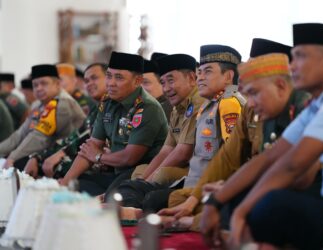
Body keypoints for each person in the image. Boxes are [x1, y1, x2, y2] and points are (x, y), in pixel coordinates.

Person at [158, 39, 311, 233]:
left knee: (258, 204)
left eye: (255, 91)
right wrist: (192, 201)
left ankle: (194, 222)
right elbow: (227, 157)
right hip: (257, 183)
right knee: (188, 198)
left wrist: (228, 192)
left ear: (281, 83)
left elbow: (292, 172)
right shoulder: (254, 107)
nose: (251, 101)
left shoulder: (305, 108)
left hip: (291, 193)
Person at [223, 23, 323, 250]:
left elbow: (293, 166)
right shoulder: (320, 101)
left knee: (269, 205)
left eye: (299, 56)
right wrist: (218, 201)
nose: (292, 66)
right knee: (245, 198)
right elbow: (272, 156)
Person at [116, 45, 246, 215]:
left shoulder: (229, 104)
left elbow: (230, 158)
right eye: (199, 72)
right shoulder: (210, 105)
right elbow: (168, 151)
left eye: (207, 72)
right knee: (137, 188)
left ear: (228, 76)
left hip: (210, 187)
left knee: (152, 199)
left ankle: (134, 214)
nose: (200, 78)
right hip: (197, 184)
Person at [58, 52, 168, 196]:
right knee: (75, 184)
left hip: (140, 172)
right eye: (109, 76)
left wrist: (99, 157)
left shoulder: (147, 107)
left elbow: (129, 158)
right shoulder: (107, 102)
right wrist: (65, 184)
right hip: (115, 171)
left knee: (111, 196)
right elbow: (91, 148)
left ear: (137, 81)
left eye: (119, 77)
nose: (110, 83)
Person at [104, 53, 204, 207]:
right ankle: (125, 201)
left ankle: (127, 206)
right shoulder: (178, 107)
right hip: (183, 168)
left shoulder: (198, 103)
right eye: (163, 82)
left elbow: (182, 153)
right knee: (139, 172)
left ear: (191, 78)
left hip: (198, 172)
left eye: (171, 81)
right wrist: (143, 181)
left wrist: (146, 183)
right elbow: (166, 150)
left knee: (161, 175)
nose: (166, 89)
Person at [24, 63, 108, 178]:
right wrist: (37, 156)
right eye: (87, 81)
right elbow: (74, 137)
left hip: (99, 165)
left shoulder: (85, 103)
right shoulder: (96, 107)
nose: (58, 84)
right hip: (78, 154)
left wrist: (61, 154)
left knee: (58, 168)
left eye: (60, 80)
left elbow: (85, 140)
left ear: (74, 80)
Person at [0, 64, 86, 169]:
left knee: (16, 164)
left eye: (44, 83)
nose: (39, 88)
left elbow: (40, 137)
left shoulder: (62, 103)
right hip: (46, 156)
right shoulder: (38, 104)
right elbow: (20, 134)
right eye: (35, 85)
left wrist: (12, 158)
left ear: (57, 84)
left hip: (69, 158)